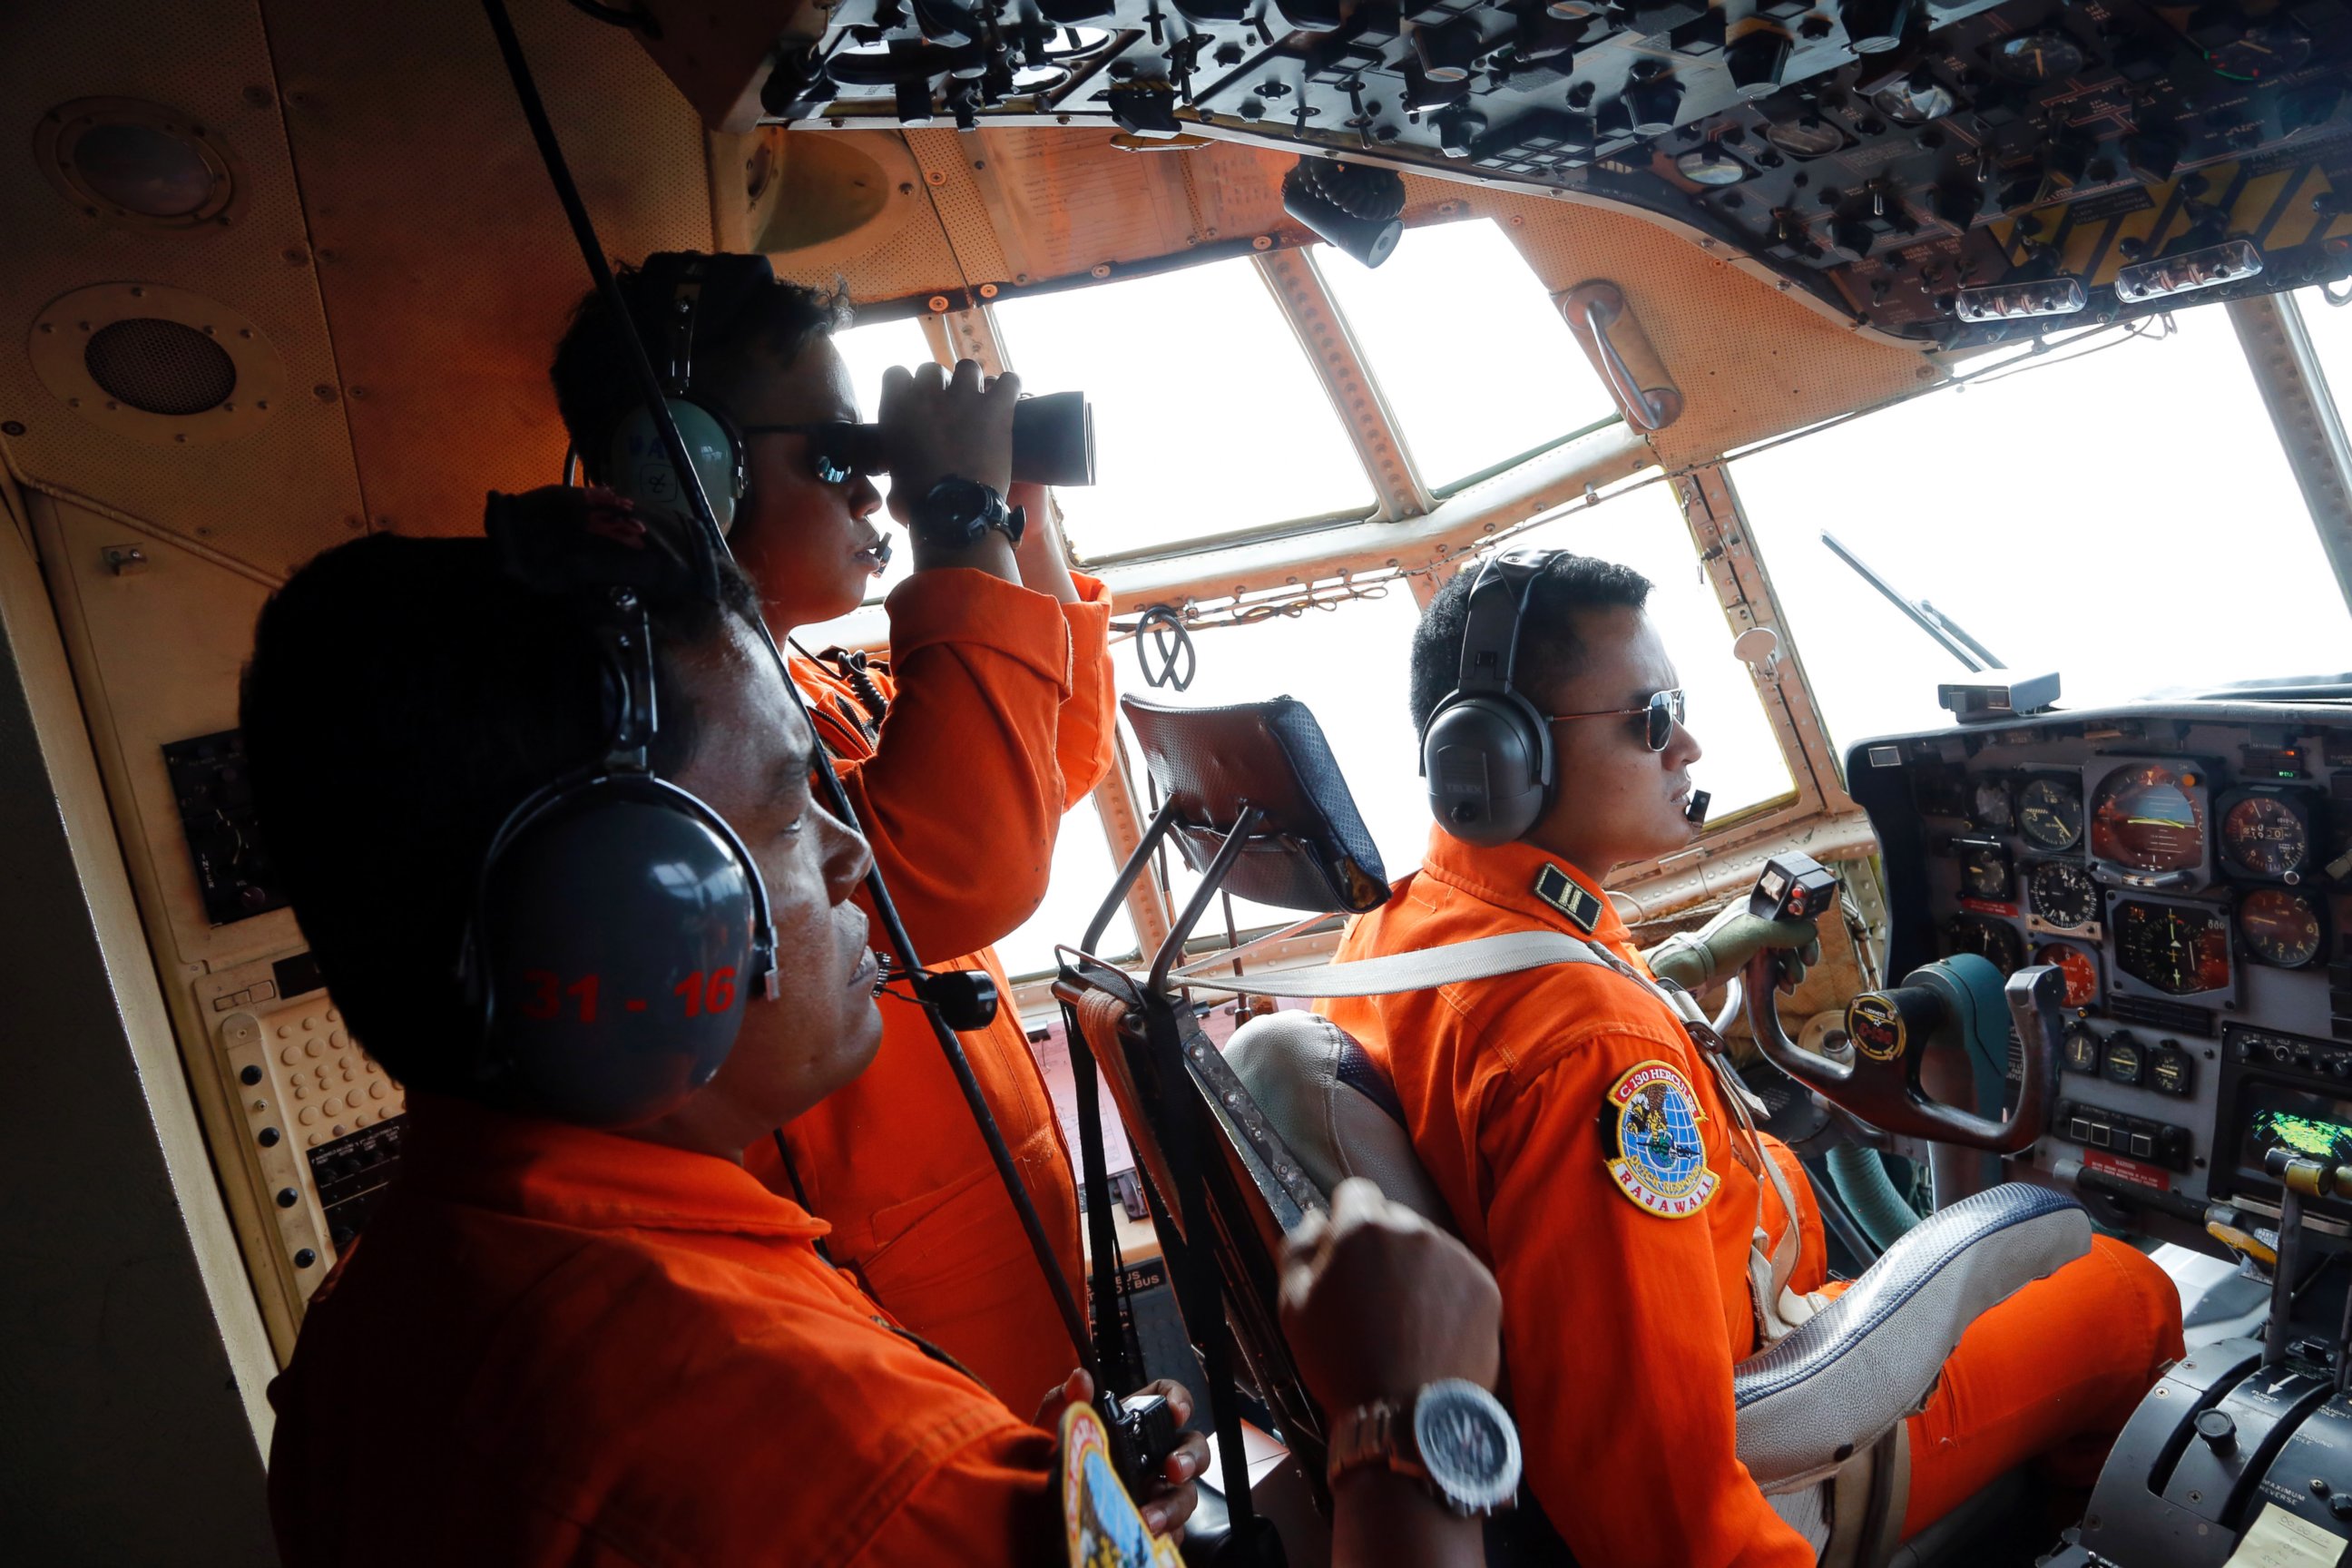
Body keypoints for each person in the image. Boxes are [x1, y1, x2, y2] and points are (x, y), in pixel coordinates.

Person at [246, 520, 1503, 1566]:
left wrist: (1040, 1515)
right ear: (630, 925)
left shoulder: (386, 1309)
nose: (855, 859)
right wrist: (1407, 1429)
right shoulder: (854, 1465)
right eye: (795, 804)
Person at [1322, 550, 2185, 1567]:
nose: (1685, 741)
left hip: (1735, 1332)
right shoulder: (1595, 1047)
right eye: (1650, 719)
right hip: (1789, 1445)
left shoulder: (1406, 928)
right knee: (2129, 1291)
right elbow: (1657, 1507)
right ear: (1500, 758)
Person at [549, 260, 1114, 1405]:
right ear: (689, 471)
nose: (872, 495)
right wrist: (952, 514)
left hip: (995, 1243)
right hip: (886, 1293)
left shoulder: (809, 679)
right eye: (836, 457)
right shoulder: (660, 723)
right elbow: (959, 866)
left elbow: (1045, 771)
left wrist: (1014, 516)